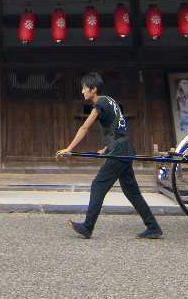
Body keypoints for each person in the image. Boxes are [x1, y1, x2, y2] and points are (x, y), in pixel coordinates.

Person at [57, 72, 162, 240]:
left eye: (85, 88)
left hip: (119, 151)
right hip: (123, 148)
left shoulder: (100, 103)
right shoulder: (110, 101)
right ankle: (153, 227)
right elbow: (117, 126)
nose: (83, 91)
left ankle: (87, 226)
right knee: (132, 191)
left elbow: (84, 128)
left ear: (94, 89)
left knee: (98, 185)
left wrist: (69, 148)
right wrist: (107, 147)